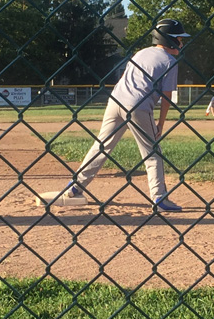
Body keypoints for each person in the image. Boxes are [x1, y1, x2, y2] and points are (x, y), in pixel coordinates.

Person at [66, 18, 190, 212]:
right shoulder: (169, 61)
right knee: (152, 152)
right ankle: (159, 197)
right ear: (169, 40)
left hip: (115, 99)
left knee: (102, 145)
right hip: (137, 105)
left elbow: (125, 77)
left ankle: (76, 186)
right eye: (179, 38)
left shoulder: (141, 53)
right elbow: (166, 97)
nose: (181, 42)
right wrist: (160, 124)